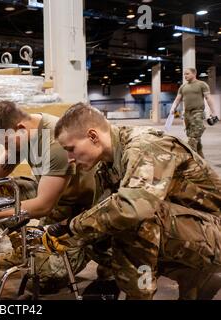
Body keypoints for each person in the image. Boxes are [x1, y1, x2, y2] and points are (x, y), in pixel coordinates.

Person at [44, 102, 221, 299]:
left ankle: (141, 294)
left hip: (215, 230)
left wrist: (72, 226)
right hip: (192, 229)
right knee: (97, 234)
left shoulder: (146, 145)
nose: (69, 158)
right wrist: (69, 238)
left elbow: (135, 207)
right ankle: (191, 276)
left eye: (71, 149)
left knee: (132, 219)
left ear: (93, 136)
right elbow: (100, 222)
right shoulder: (106, 168)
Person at [0, 100, 98, 292]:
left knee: (41, 278)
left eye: (5, 142)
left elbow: (44, 205)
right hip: (54, 198)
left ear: (19, 128)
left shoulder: (56, 143)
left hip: (80, 212)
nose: (7, 147)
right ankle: (22, 247)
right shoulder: (25, 133)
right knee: (0, 190)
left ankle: (101, 253)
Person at [169, 68, 217, 158]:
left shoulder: (202, 84)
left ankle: (189, 159)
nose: (185, 76)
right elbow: (177, 99)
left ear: (194, 74)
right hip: (187, 114)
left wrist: (213, 112)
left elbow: (208, 98)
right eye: (184, 74)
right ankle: (201, 159)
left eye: (187, 74)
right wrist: (173, 108)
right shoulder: (183, 87)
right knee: (193, 137)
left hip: (197, 112)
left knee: (193, 137)